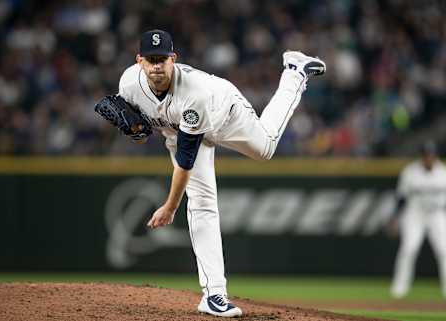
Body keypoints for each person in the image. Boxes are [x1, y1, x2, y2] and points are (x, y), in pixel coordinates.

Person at [117, 29, 326, 317]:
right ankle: (214, 294)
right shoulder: (128, 83)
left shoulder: (193, 94)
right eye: (150, 59)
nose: (156, 66)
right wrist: (138, 132)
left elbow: (185, 162)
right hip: (179, 131)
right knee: (203, 203)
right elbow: (139, 123)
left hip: (223, 112)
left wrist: (170, 206)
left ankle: (294, 71)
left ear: (173, 59)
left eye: (162, 59)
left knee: (264, 148)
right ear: (139, 60)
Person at [390, 140, 446, 299]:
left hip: (437, 214)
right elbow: (401, 197)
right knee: (409, 249)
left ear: (435, 155)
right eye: (426, 154)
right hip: (415, 214)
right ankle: (399, 290)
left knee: (444, 251)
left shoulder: (443, 172)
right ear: (422, 156)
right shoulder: (410, 172)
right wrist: (395, 217)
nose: (428, 157)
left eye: (431, 154)